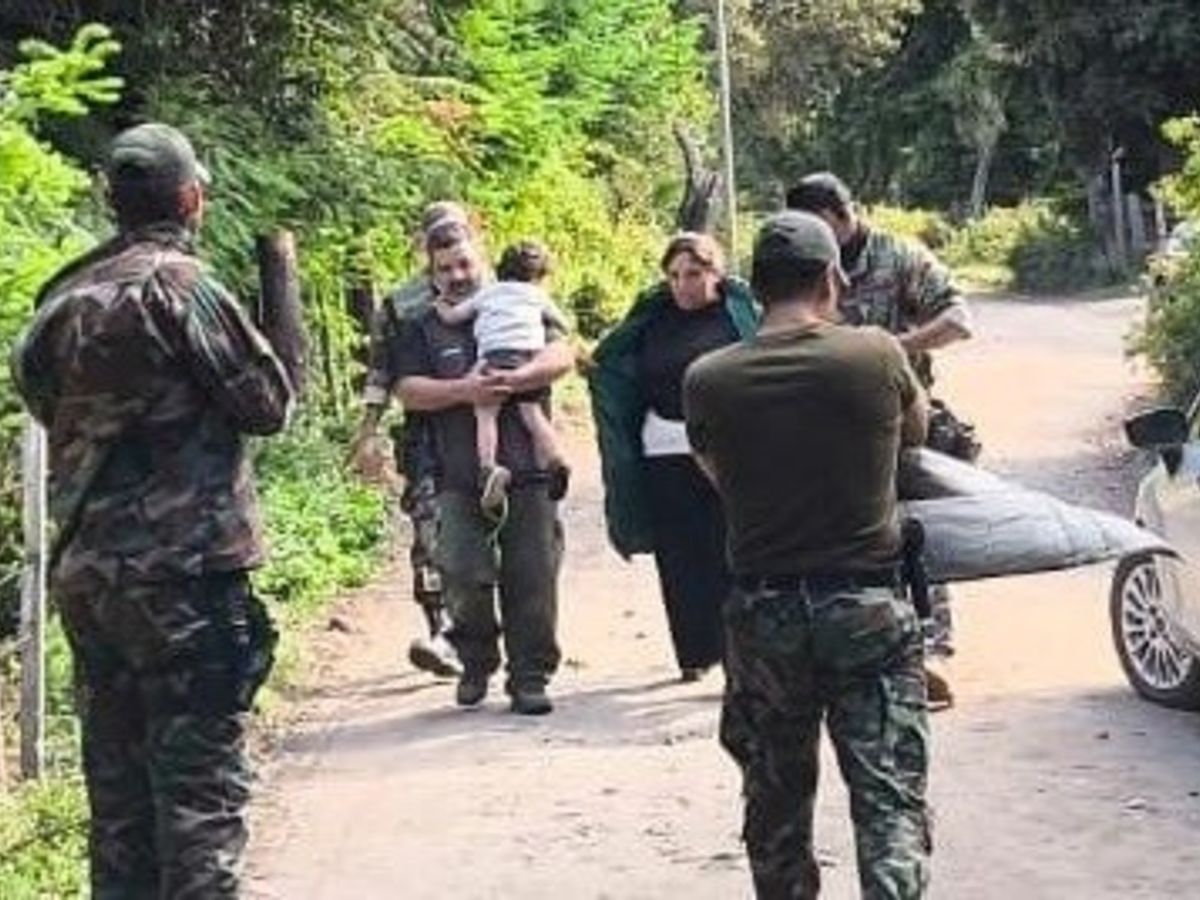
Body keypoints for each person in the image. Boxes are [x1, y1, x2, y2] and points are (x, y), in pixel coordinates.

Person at [9, 123, 295, 897]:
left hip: (90, 580)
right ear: (192, 197)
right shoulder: (181, 287)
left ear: (112, 201)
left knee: (120, 807)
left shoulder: (60, 299)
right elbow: (266, 404)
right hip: (186, 577)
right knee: (200, 798)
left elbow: (43, 407)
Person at [683, 210, 931, 898]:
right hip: (868, 609)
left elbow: (715, 472)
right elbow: (915, 434)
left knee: (776, 807)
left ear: (753, 288)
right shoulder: (876, 354)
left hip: (764, 617)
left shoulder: (709, 377)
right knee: (889, 801)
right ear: (832, 278)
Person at [787, 172, 973, 707]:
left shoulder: (899, 256)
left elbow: (960, 318)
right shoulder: (803, 263)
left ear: (839, 215)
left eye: (815, 226)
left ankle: (929, 646)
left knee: (916, 532)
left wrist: (894, 346)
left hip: (897, 419)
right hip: (822, 426)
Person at [393, 225, 573, 715]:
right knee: (462, 572)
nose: (456, 275)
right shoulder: (421, 325)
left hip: (528, 469)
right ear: (431, 272)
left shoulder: (518, 299)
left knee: (532, 574)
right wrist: (464, 393)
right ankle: (476, 660)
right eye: (445, 268)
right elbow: (407, 389)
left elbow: (563, 354)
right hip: (457, 472)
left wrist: (520, 378)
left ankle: (530, 677)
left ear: (483, 261)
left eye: (465, 264)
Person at [589, 233, 757, 682]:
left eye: (694, 274)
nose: (683, 285)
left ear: (716, 274)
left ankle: (737, 651)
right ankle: (694, 652)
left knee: (731, 549)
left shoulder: (739, 317)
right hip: (663, 446)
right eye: (675, 275)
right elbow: (617, 367)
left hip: (727, 450)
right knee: (679, 555)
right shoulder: (651, 318)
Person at [349, 202, 475, 680]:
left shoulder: (493, 290)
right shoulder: (402, 305)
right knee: (428, 534)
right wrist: (367, 432)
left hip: (486, 431)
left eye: (455, 233)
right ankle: (442, 630)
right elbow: (383, 370)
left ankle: (487, 633)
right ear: (423, 244)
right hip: (426, 432)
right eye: (437, 236)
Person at [433, 239, 571, 513]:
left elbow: (454, 316)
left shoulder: (488, 293)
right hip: (528, 360)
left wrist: (440, 305)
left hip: (495, 360)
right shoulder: (537, 295)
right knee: (532, 415)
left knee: (485, 415)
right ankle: (556, 459)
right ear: (539, 275)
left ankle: (489, 468)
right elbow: (563, 323)